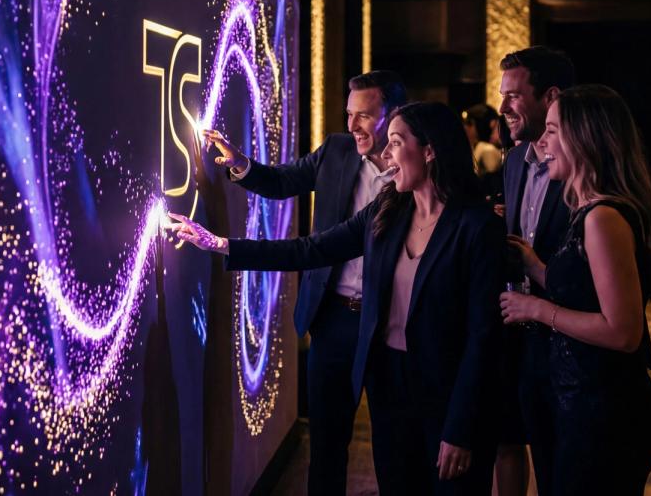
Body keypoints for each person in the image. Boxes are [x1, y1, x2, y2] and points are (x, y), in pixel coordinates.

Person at [175, 102, 504, 494]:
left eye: (396, 143)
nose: (385, 155)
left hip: (448, 394)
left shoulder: (478, 227)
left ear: (430, 150)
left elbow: (484, 338)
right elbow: (310, 250)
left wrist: (461, 428)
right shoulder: (387, 210)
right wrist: (223, 245)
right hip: (389, 387)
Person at [201, 70, 406, 495]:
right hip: (333, 318)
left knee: (394, 450)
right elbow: (283, 182)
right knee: (327, 448)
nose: (352, 126)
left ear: (394, 115)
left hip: (390, 323)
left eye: (365, 116)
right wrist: (241, 164)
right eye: (349, 115)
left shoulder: (416, 171)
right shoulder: (337, 150)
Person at [499, 84, 651, 494]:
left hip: (605, 411)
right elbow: (585, 290)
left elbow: (623, 332)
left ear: (584, 139)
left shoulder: (602, 217)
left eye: (553, 131)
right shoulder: (591, 210)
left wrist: (535, 310)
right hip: (583, 401)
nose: (542, 142)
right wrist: (535, 266)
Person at [494, 46, 577, 495]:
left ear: (551, 96)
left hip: (575, 346)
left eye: (513, 96)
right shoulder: (512, 162)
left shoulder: (586, 169)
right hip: (520, 336)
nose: (503, 107)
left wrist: (532, 263)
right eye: (501, 95)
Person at [462, 103, 504, 200]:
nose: (465, 128)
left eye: (470, 124)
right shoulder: (479, 147)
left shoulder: (486, 149)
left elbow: (492, 186)